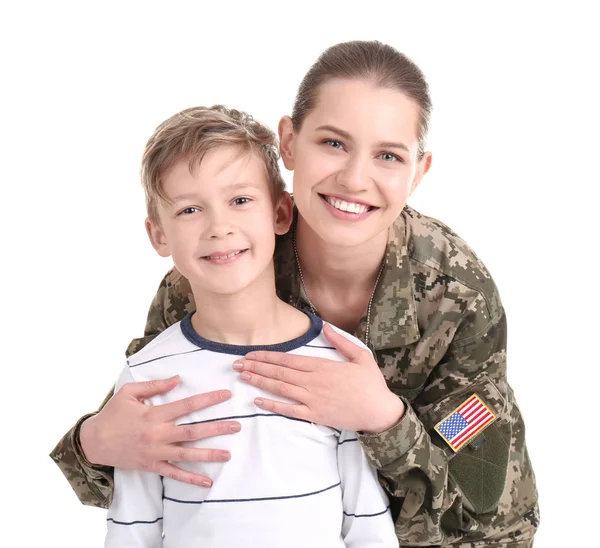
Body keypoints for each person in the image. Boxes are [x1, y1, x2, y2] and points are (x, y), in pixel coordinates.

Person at [51, 41, 539, 546]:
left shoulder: (458, 298)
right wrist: (93, 443)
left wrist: (384, 420)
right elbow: (140, 449)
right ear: (288, 142)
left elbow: (482, 496)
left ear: (418, 171)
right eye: (333, 143)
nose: (353, 178)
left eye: (388, 155)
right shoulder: (220, 267)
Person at [104, 105, 398, 547]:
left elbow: (367, 525)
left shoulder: (338, 362)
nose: (219, 227)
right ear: (158, 235)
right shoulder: (147, 377)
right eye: (189, 210)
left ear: (281, 214)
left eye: (240, 201)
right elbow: (132, 530)